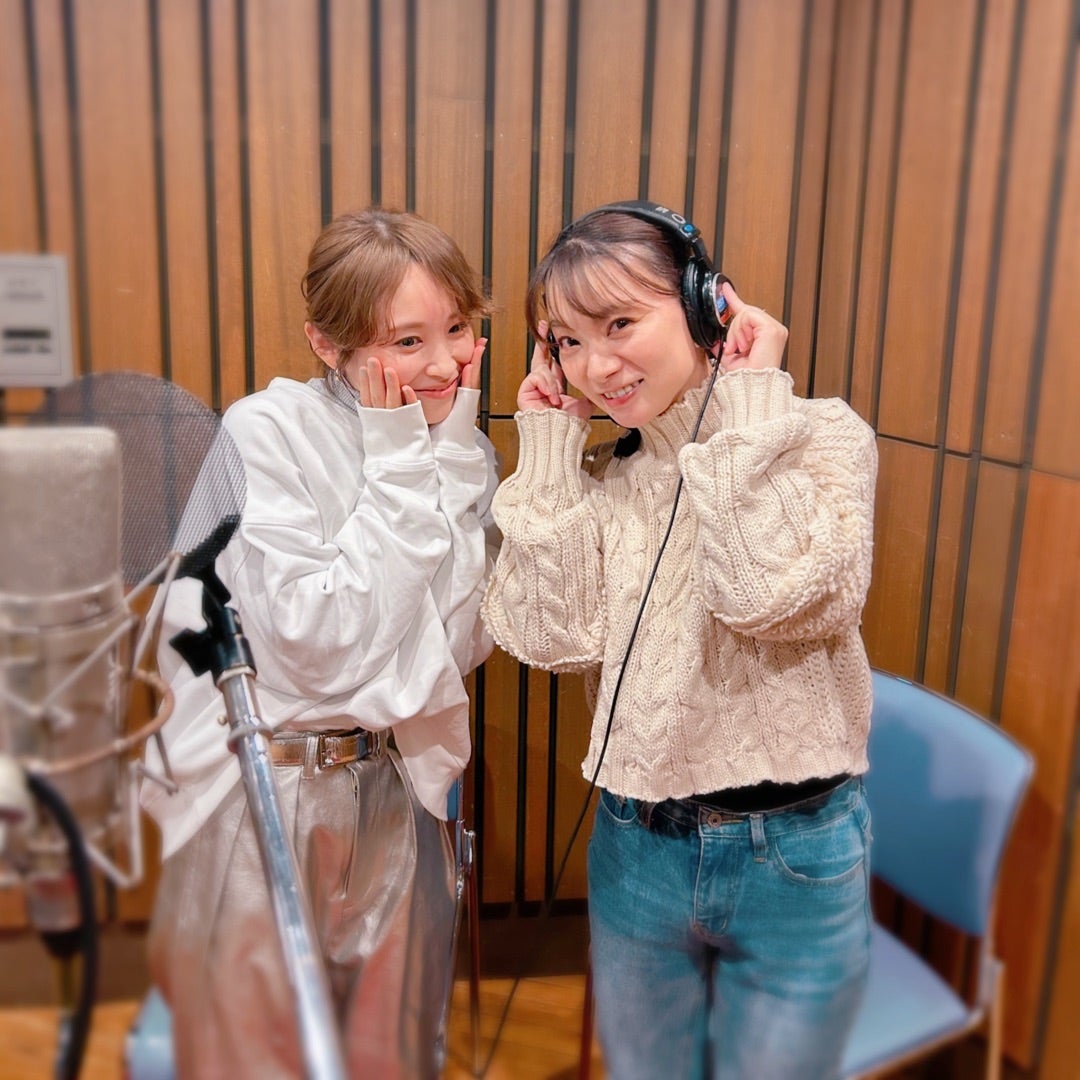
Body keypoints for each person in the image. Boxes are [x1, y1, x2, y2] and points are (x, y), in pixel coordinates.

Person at [480, 201, 877, 1080]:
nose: (596, 365)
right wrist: (548, 443)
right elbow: (552, 637)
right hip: (637, 845)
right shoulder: (606, 475)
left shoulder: (823, 438)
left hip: (796, 853)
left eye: (619, 324)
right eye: (568, 342)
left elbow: (770, 598)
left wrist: (748, 412)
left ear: (708, 305)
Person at [141, 208, 499, 1078]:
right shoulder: (266, 430)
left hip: (394, 781)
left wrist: (448, 448)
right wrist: (402, 462)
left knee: (392, 1052)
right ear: (326, 344)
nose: (445, 364)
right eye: (406, 341)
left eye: (458, 328)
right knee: (252, 1055)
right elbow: (315, 641)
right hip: (262, 786)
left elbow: (458, 643)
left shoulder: (458, 442)